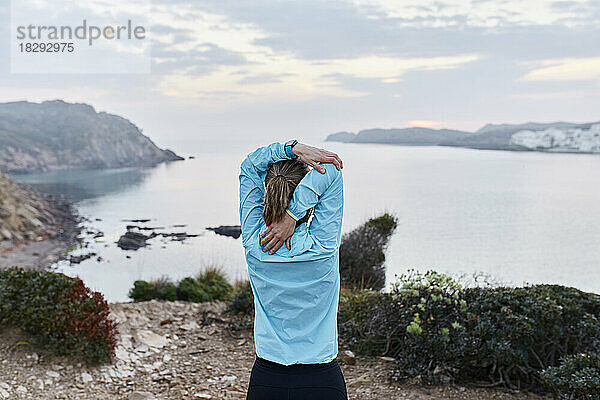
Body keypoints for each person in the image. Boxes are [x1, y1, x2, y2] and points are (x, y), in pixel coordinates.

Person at [239, 140, 347, 400]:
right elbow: (332, 172)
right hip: (323, 381)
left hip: (268, 381)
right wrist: (292, 215)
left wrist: (293, 148)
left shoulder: (255, 243)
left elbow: (249, 166)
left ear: (269, 192)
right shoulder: (323, 246)